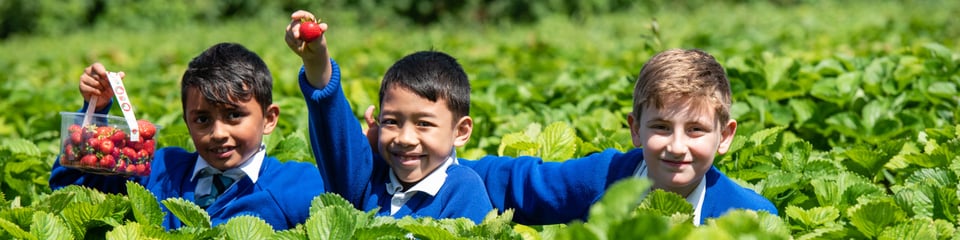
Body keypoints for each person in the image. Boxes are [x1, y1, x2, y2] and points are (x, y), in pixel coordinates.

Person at [361, 49, 778, 225]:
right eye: (661, 127)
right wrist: (402, 154)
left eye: (697, 130)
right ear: (635, 129)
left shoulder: (750, 218)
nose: (676, 145)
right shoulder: (605, 178)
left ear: (725, 137)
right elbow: (515, 180)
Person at [49, 43, 326, 230]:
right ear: (187, 121)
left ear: (269, 118)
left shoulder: (297, 185)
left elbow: (357, 207)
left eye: (234, 116)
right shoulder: (160, 169)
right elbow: (70, 189)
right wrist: (94, 109)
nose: (218, 133)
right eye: (202, 119)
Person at [285, 11, 493, 223]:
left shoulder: (463, 192)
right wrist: (317, 63)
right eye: (391, 122)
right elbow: (336, 139)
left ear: (461, 131)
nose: (404, 138)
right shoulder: (368, 179)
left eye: (424, 123)